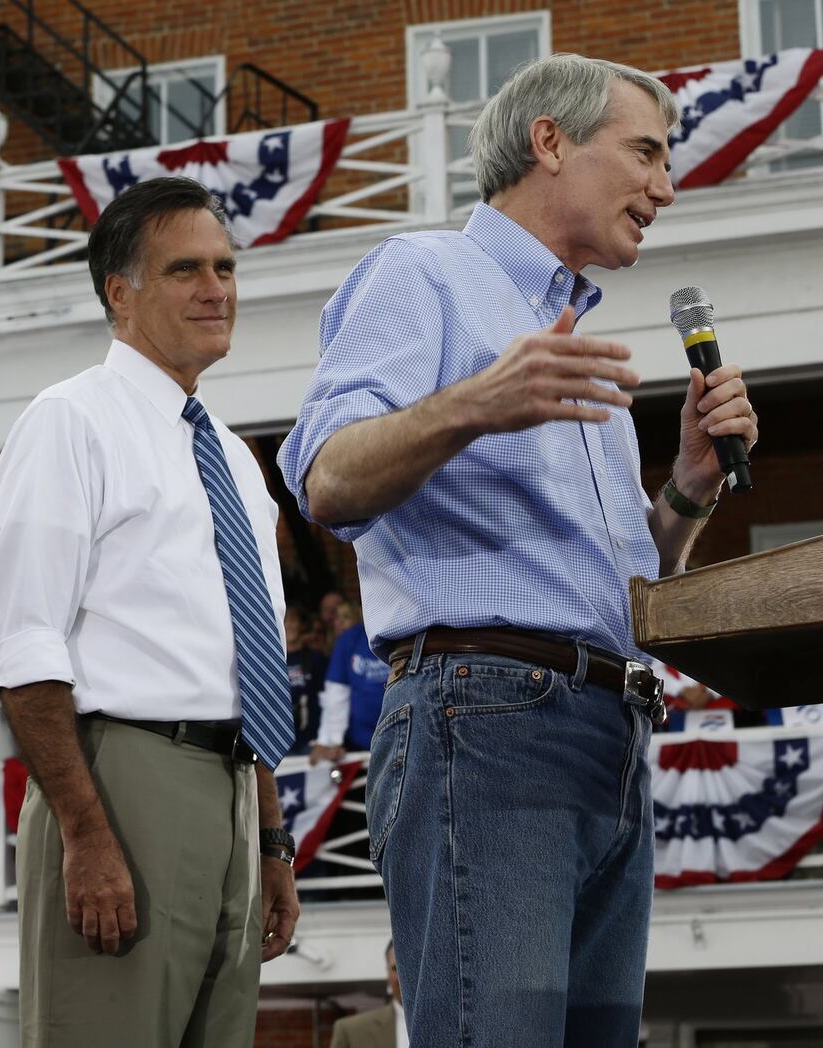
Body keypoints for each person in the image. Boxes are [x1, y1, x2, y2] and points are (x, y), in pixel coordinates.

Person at [279, 55, 758, 1046]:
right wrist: (472, 403)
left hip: (610, 734)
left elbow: (626, 591)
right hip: (488, 723)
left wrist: (688, 488)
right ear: (549, 141)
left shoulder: (567, 336)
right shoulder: (425, 274)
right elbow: (325, 478)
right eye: (645, 153)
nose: (665, 187)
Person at [0, 176, 300, 1048]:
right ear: (120, 293)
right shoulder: (69, 420)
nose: (216, 289)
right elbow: (20, 645)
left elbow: (252, 662)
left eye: (226, 268)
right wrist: (86, 832)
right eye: (186, 269)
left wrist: (272, 842)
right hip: (121, 780)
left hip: (233, 787)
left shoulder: (236, 461)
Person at [310, 608, 389, 763]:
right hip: (359, 742)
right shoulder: (349, 639)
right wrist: (331, 741)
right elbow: (336, 693)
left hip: (404, 736)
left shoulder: (402, 635)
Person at [330, 942, 406, 1048]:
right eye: (397, 968)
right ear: (388, 976)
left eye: (416, 965)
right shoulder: (351, 1031)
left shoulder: (437, 1025)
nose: (407, 975)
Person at [284, 607, 329, 756]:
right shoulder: (272, 661)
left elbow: (328, 699)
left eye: (293, 620)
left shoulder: (315, 658)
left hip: (311, 743)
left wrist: (325, 739)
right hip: (280, 742)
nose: (289, 625)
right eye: (285, 620)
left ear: (301, 625)